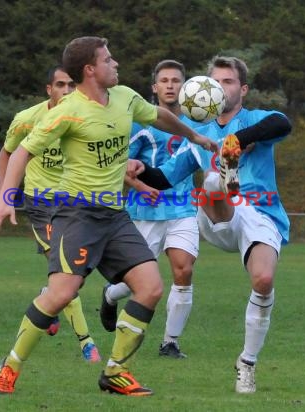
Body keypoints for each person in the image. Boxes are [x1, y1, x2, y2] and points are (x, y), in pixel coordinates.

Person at [0, 36, 217, 397]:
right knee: (62, 294)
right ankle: (10, 366)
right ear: (90, 70)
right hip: (77, 215)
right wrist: (4, 197)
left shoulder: (124, 96)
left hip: (114, 215)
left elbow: (160, 116)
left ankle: (115, 372)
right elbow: (20, 153)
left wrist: (195, 136)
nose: (116, 64)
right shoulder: (66, 111)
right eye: (108, 60)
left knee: (151, 288)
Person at [131, 55, 292, 394]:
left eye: (229, 82)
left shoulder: (256, 119)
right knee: (212, 184)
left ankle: (246, 362)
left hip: (261, 214)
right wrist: (140, 170)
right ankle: (224, 179)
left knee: (263, 280)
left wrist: (238, 139)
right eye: (215, 81)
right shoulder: (198, 134)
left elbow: (282, 123)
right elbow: (163, 178)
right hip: (217, 212)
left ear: (243, 89)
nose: (220, 88)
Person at [0, 65, 101, 363]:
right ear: (49, 89)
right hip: (40, 205)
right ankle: (87, 342)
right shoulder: (27, 119)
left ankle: (49, 301)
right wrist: (3, 196)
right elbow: (7, 152)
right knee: (66, 276)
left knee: (73, 279)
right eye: (60, 85)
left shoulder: (84, 115)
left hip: (73, 203)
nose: (67, 91)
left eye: (72, 85)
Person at [100, 59, 199, 359]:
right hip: (146, 213)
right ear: (154, 88)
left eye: (176, 80)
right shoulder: (139, 124)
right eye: (164, 81)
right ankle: (109, 294)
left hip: (183, 209)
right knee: (136, 282)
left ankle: (170, 342)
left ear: (186, 88)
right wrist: (143, 188)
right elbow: (120, 167)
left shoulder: (197, 125)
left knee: (184, 270)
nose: (170, 85)